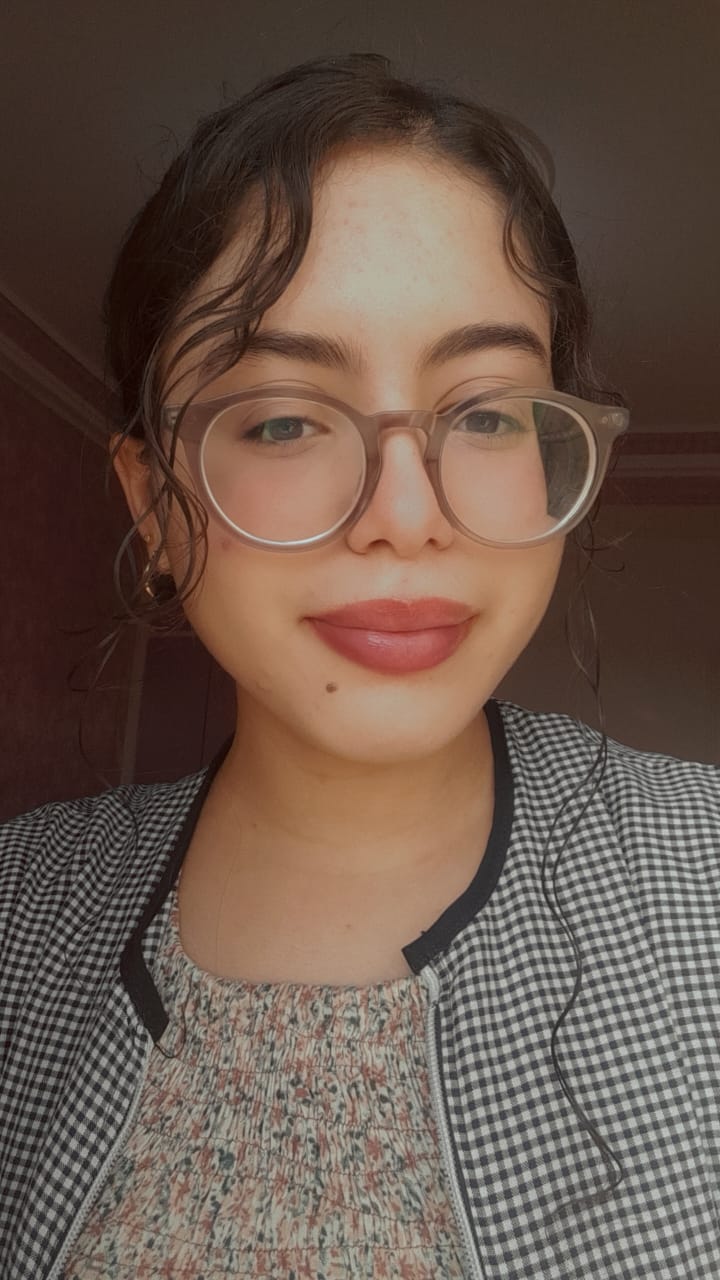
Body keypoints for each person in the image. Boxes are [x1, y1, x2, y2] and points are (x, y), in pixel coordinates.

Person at [1, 51, 718, 1280]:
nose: (405, 515)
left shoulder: (700, 881)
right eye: (284, 416)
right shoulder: (21, 913)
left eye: (485, 412)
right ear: (154, 503)